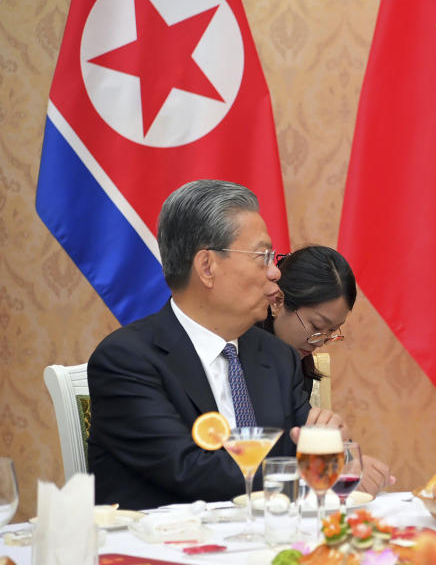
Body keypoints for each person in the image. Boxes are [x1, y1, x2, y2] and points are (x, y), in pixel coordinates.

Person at [88, 180, 333, 509]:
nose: (275, 273)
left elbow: (302, 445)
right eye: (262, 257)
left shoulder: (277, 357)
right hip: (162, 552)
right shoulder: (126, 360)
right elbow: (190, 471)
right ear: (207, 267)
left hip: (266, 543)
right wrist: (311, 472)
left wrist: (334, 448)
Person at [258, 245, 394, 495]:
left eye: (332, 331)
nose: (321, 341)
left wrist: (343, 453)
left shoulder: (298, 364)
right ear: (277, 302)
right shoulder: (241, 352)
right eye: (317, 326)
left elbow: (303, 442)